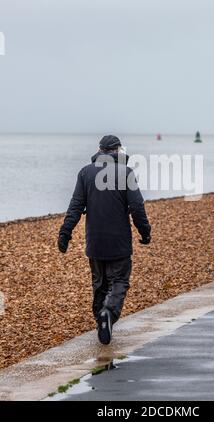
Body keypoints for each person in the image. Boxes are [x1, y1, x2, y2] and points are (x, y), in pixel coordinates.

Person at [57, 135, 151, 345]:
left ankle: (101, 319)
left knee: (99, 284)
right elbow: (137, 207)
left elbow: (75, 207)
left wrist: (65, 233)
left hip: (95, 242)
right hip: (119, 243)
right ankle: (107, 314)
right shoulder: (125, 172)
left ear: (99, 150)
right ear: (118, 151)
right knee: (119, 281)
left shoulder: (85, 173)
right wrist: (145, 232)